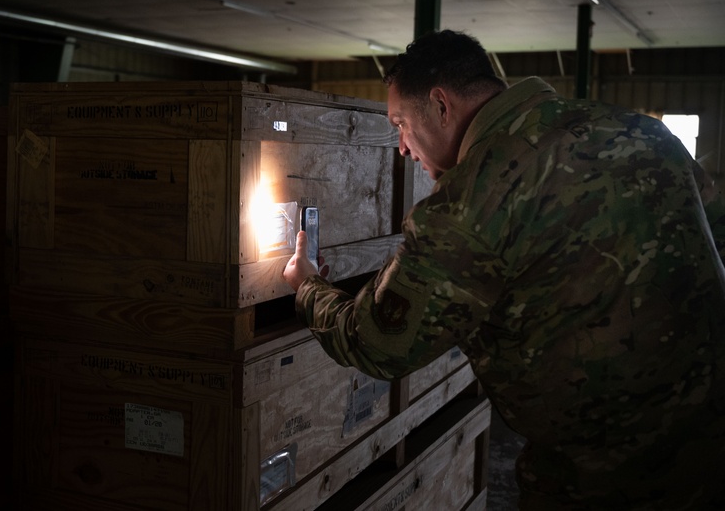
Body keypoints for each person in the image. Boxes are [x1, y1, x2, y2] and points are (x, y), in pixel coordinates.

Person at [283, 29, 725, 510]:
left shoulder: (472, 199)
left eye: (401, 124)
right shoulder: (643, 131)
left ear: (440, 105)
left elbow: (377, 342)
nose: (402, 147)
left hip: (604, 479)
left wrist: (307, 285)